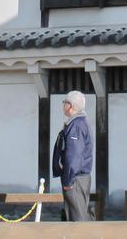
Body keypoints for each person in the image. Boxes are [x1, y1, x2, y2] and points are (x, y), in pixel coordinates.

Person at [51, 90, 93, 221]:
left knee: (77, 218)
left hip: (75, 178)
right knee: (74, 215)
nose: (63, 105)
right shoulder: (78, 123)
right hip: (77, 177)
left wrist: (68, 180)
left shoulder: (76, 125)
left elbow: (74, 155)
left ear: (71, 106)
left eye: (65, 102)